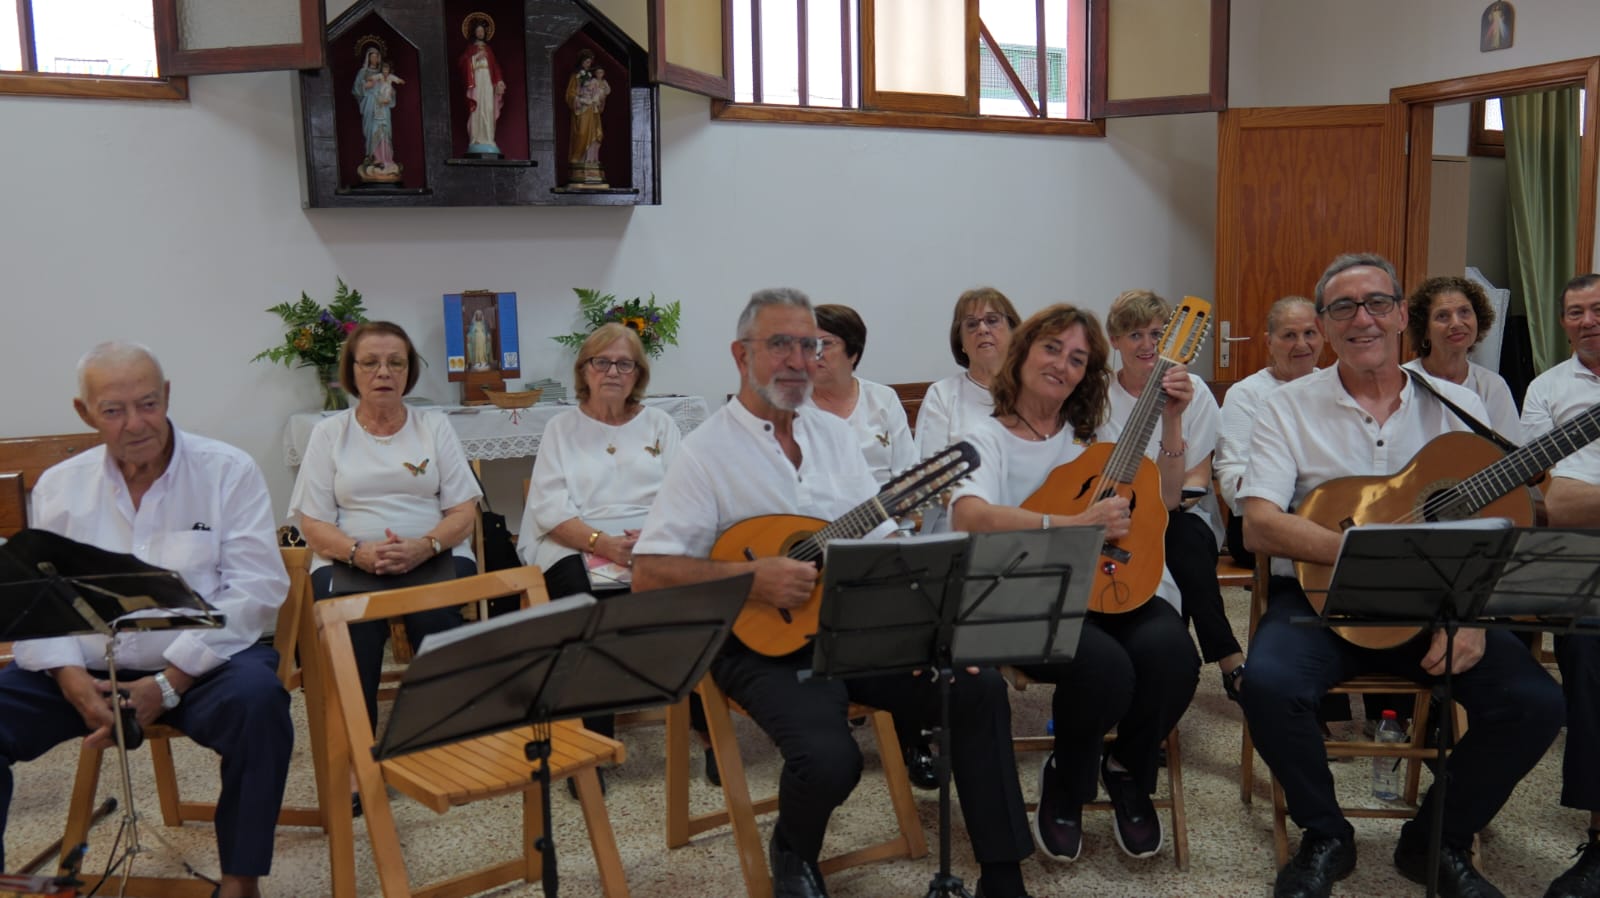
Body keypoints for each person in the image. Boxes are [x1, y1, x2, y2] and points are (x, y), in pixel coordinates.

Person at [632, 288, 1038, 898]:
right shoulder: (704, 453)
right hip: (758, 643)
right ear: (742, 355)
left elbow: (877, 538)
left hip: (854, 626)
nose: (799, 359)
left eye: (811, 344)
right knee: (831, 760)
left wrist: (937, 629)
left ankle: (1004, 875)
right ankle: (794, 849)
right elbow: (650, 574)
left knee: (976, 688)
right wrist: (751, 577)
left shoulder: (834, 435)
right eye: (781, 345)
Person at [1236, 253, 1564, 898]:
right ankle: (1327, 834)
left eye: (1376, 304)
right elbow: (1261, 525)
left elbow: (1505, 522)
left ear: (1400, 316)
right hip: (1322, 603)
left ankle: (1435, 839)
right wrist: (1371, 553)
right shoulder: (1286, 408)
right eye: (1343, 308)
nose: (1363, 319)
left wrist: (1471, 613)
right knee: (1268, 685)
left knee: (1534, 704)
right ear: (1326, 326)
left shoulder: (1461, 405)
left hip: (1441, 606)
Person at [0, 341, 292, 898]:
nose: (136, 423)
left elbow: (257, 589)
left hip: (204, 666)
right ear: (85, 413)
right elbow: (41, 601)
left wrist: (170, 681)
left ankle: (240, 882)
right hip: (84, 673)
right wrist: (70, 680)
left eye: (149, 403)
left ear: (168, 396)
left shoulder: (227, 471)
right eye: (114, 410)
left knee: (261, 705)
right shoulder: (62, 485)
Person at [948, 303, 1200, 865]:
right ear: (1023, 353)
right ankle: (1068, 777)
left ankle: (1129, 770)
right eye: (1052, 348)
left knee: (1173, 655)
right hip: (1020, 594)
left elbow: (1165, 502)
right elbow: (969, 516)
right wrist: (1070, 524)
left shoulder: (1097, 437)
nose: (1063, 364)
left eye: (1079, 358)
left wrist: (1174, 419)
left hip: (1105, 587)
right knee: (1106, 667)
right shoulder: (981, 435)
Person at [288, 322, 481, 740]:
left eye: (396, 362)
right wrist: (359, 553)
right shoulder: (329, 433)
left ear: (408, 371)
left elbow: (464, 511)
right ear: (352, 371)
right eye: (371, 362)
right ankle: (359, 749)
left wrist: (425, 546)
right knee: (354, 624)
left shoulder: (433, 426)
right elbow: (314, 523)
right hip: (348, 557)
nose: (384, 372)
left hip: (434, 552)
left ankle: (442, 732)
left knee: (436, 612)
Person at [519, 322, 681, 741]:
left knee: (696, 599)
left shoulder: (660, 424)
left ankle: (704, 731)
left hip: (651, 537)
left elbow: (685, 494)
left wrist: (651, 540)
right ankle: (595, 738)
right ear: (584, 371)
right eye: (602, 362)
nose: (612, 372)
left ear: (638, 374)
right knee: (581, 605)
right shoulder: (562, 428)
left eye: (624, 364)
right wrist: (603, 543)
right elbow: (549, 507)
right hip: (575, 538)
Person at [1101, 290, 1241, 699]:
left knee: (1176, 533)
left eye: (1157, 334)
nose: (1148, 346)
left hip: (1182, 515)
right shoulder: (1096, 395)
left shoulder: (1192, 391)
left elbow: (1177, 496)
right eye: (1135, 335)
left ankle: (1176, 673)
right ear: (1114, 341)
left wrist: (1172, 420)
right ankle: (1226, 660)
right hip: (1115, 520)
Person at [1518, 272, 1600, 898]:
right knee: (1591, 639)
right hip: (1575, 550)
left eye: (1596, 308)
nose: (1586, 320)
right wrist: (1570, 503)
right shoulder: (1547, 389)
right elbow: (1547, 499)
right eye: (1574, 312)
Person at [1215, 295, 1324, 566]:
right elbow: (1231, 477)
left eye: (1310, 333)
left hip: (1327, 513)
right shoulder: (1245, 395)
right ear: (1269, 342)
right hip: (1259, 525)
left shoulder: (1336, 389)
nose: (1301, 344)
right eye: (1289, 335)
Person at [914, 287, 1022, 531]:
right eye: (971, 325)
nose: (983, 329)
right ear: (961, 342)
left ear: (1014, 332)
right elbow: (934, 479)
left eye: (993, 320)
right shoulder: (942, 395)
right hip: (961, 525)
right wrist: (983, 515)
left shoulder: (1035, 392)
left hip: (1031, 517)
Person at [1402, 275, 1522, 442]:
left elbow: (1510, 454)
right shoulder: (1402, 382)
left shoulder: (1492, 386)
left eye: (1464, 312)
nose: (1456, 323)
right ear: (1425, 329)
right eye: (1442, 316)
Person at [805, 303, 915, 485]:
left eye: (826, 343)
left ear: (853, 352)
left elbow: (908, 474)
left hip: (884, 508)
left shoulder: (883, 399)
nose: (816, 354)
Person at [352, 48, 402, 179]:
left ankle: (385, 159)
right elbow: (356, 89)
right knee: (372, 130)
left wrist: (391, 93)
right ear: (368, 58)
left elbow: (389, 88)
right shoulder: (363, 72)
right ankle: (374, 157)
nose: (374, 59)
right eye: (371, 56)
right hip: (370, 105)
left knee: (384, 130)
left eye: (376, 56)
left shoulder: (383, 74)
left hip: (383, 106)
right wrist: (365, 86)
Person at [459, 16, 505, 156]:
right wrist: (474, 58)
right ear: (474, 32)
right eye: (478, 31)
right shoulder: (471, 48)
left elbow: (495, 67)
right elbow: (461, 63)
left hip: (488, 81)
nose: (480, 33)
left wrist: (499, 81)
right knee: (478, 108)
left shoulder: (489, 49)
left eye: (482, 31)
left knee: (489, 107)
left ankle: (489, 139)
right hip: (477, 81)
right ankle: (476, 139)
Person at [566, 49, 608, 184]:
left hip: (592, 110)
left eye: (590, 62)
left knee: (595, 135)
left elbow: (597, 91)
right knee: (582, 133)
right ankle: (578, 160)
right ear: (581, 62)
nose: (588, 64)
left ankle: (591, 160)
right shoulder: (575, 76)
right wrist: (580, 100)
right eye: (586, 61)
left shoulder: (591, 76)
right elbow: (570, 95)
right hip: (582, 110)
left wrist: (598, 97)